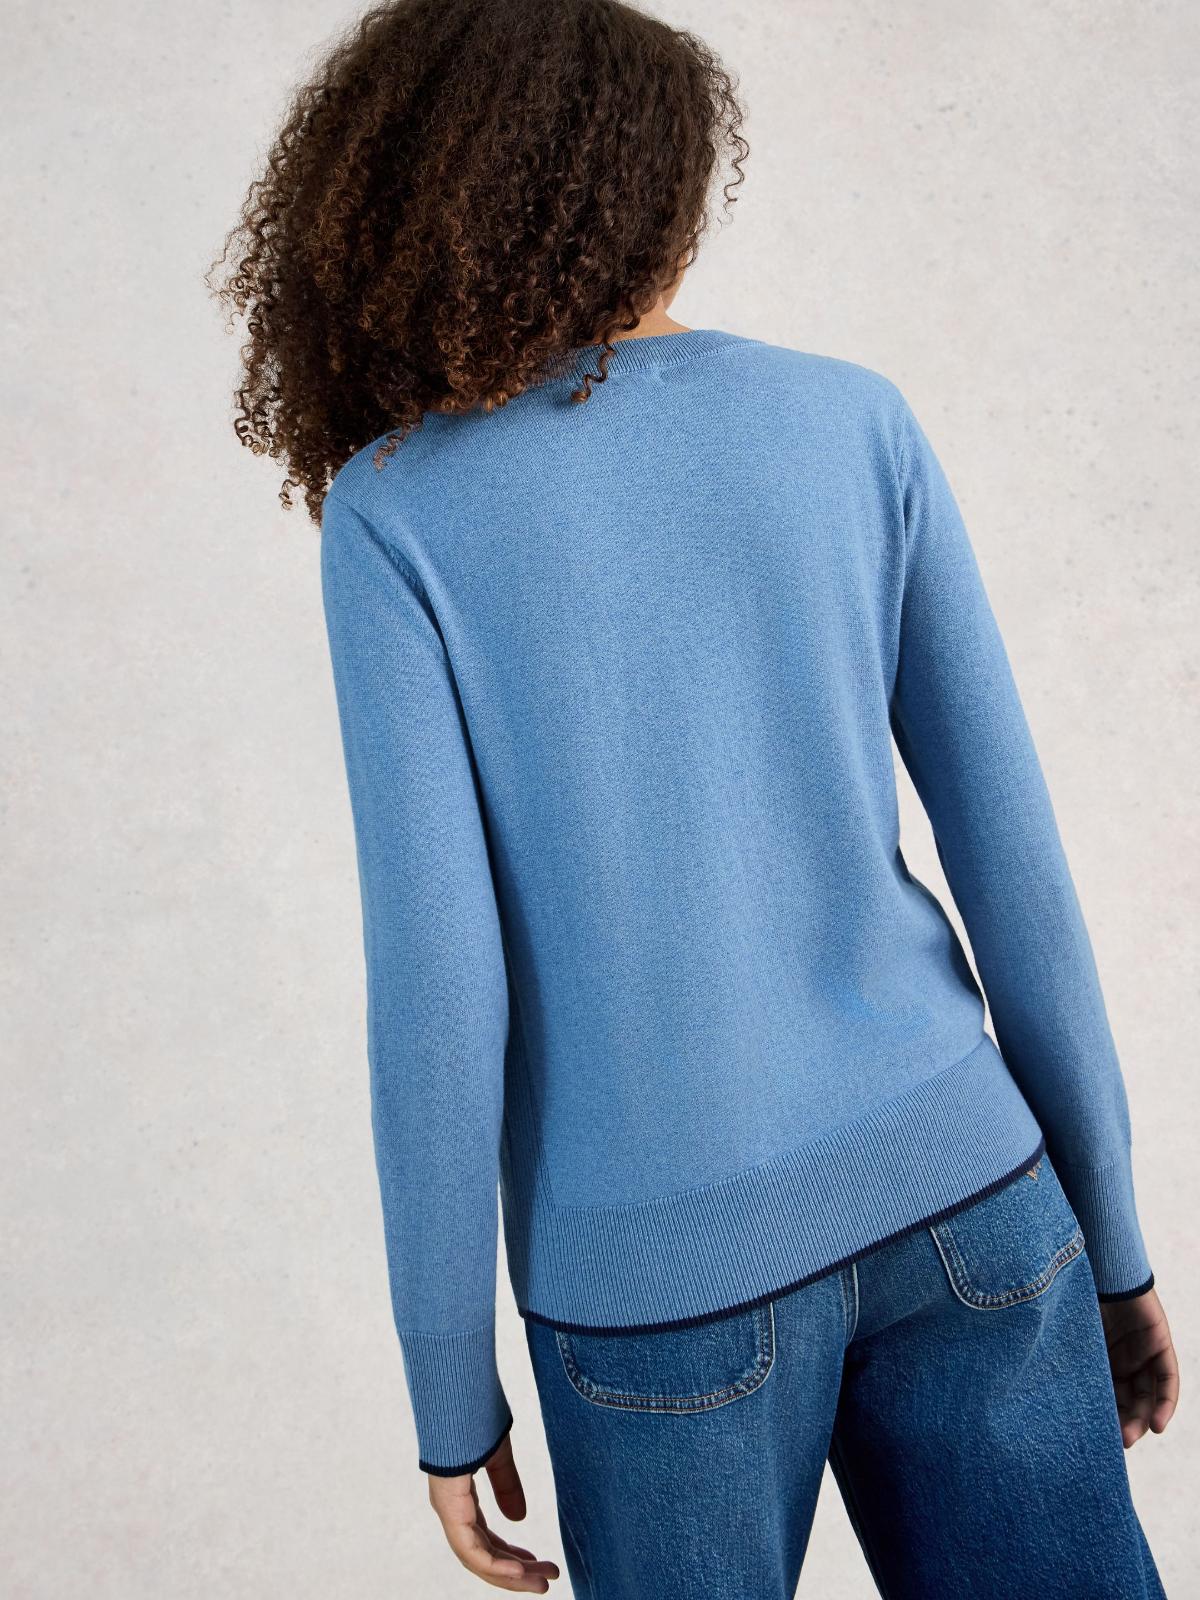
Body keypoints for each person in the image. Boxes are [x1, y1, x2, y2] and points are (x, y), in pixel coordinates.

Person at [209, 0, 1180, 1594]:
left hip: (659, 1291)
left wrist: (450, 1394)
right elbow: (1017, 865)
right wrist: (1114, 1238)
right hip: (974, 1201)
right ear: (648, 185)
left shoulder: (399, 514)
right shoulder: (852, 418)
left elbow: (439, 989)